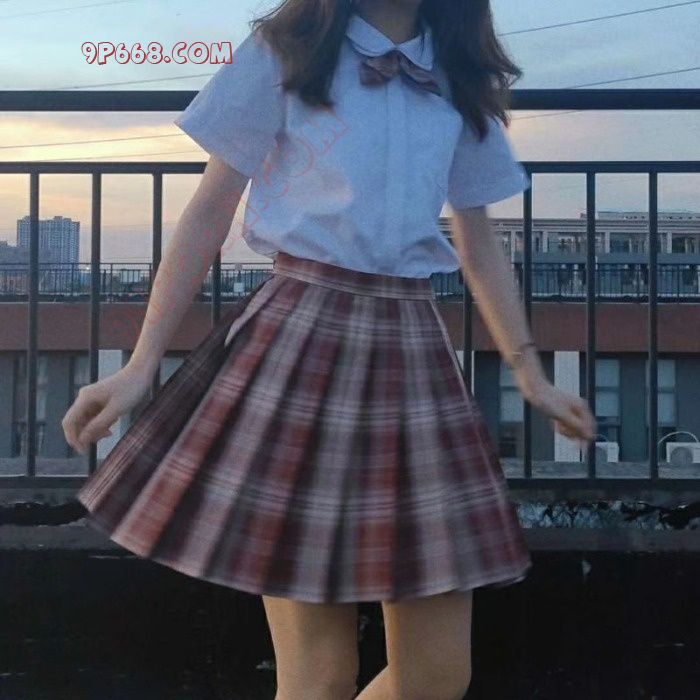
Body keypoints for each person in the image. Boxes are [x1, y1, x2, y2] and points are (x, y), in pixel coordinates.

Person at [62, 1, 597, 698]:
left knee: (436, 677)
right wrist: (140, 364)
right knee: (317, 678)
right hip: (298, 342)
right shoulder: (289, 48)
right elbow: (209, 210)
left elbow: (478, 239)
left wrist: (530, 372)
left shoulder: (456, 72)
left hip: (411, 349)